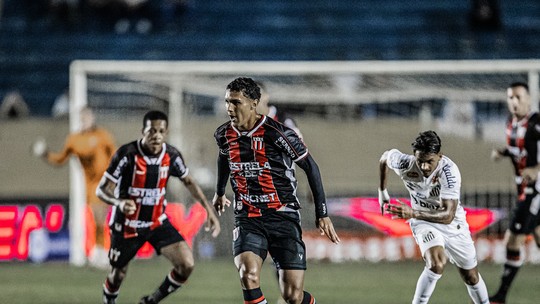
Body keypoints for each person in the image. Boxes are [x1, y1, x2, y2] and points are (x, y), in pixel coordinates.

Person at [212, 77, 340, 304]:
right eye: (226, 102)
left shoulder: (278, 133)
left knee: (292, 296)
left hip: (282, 215)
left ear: (253, 103)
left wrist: (323, 213)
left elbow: (310, 166)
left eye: (236, 102)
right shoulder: (224, 134)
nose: (229, 108)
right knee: (248, 274)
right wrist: (220, 191)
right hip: (248, 216)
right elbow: (224, 158)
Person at [97, 110, 220, 304]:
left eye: (161, 131)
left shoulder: (171, 155)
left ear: (166, 132)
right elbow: (102, 190)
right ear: (143, 131)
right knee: (118, 274)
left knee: (186, 264)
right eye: (151, 131)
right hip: (127, 224)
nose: (156, 136)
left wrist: (208, 210)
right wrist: (119, 202)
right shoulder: (127, 155)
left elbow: (189, 182)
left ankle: (152, 301)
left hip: (156, 222)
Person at [379, 130, 489, 304]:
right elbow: (385, 158)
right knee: (436, 264)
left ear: (439, 156)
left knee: (471, 277)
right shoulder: (404, 163)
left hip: (452, 223)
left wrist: (412, 212)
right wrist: (382, 191)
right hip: (423, 222)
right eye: (420, 161)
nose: (424, 167)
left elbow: (448, 215)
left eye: (429, 161)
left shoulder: (449, 172)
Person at [33, 106, 116, 268]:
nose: (86, 120)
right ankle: (99, 253)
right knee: (97, 218)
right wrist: (45, 154)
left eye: (88, 117)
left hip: (106, 182)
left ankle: (102, 252)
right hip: (90, 184)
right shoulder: (74, 140)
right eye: (83, 118)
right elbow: (60, 159)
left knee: (101, 217)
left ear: (93, 118)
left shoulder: (103, 135)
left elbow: (115, 154)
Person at [489, 82, 540, 304]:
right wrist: (503, 152)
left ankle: (500, 297)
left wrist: (536, 169)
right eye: (511, 97)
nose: (514, 101)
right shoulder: (511, 123)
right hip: (523, 189)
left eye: (519, 97)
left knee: (512, 241)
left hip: (535, 191)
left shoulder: (537, 124)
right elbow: (518, 151)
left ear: (529, 99)